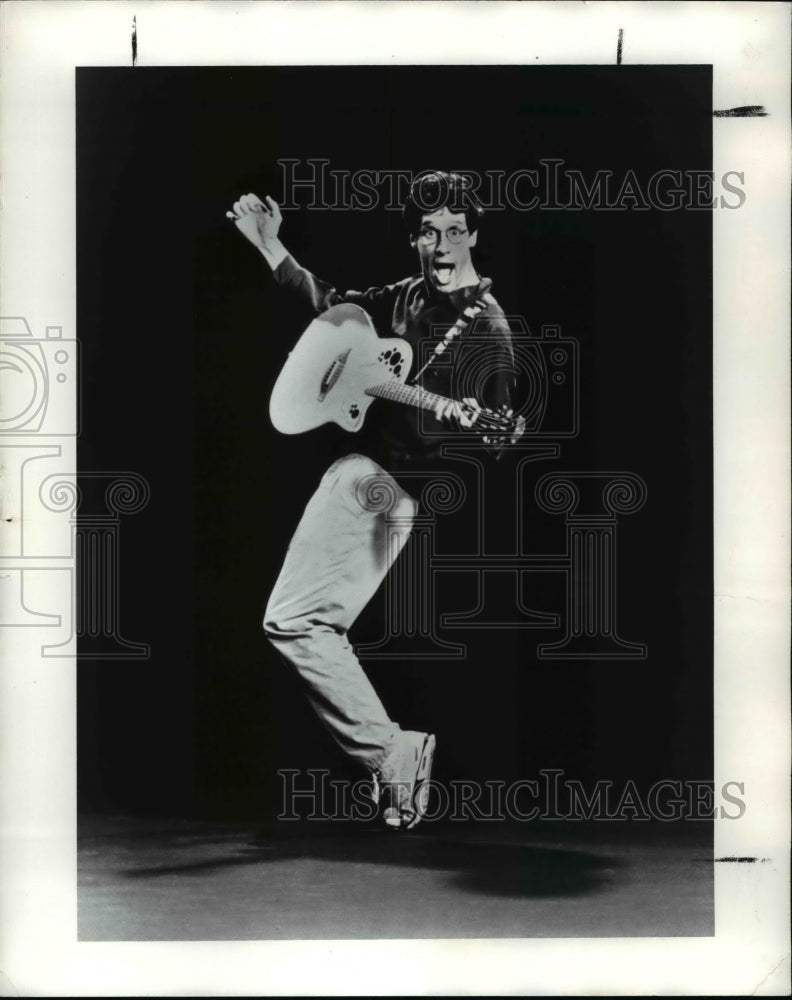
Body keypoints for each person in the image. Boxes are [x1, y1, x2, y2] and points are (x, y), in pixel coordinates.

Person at [228, 172, 518, 830]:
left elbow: (494, 437)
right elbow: (335, 309)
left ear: (472, 234)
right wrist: (272, 248)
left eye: (453, 230)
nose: (440, 244)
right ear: (413, 238)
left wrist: (461, 419)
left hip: (384, 484)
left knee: (293, 621)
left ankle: (393, 752)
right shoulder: (404, 297)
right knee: (303, 623)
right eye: (427, 231)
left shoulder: (487, 328)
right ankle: (394, 757)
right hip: (368, 476)